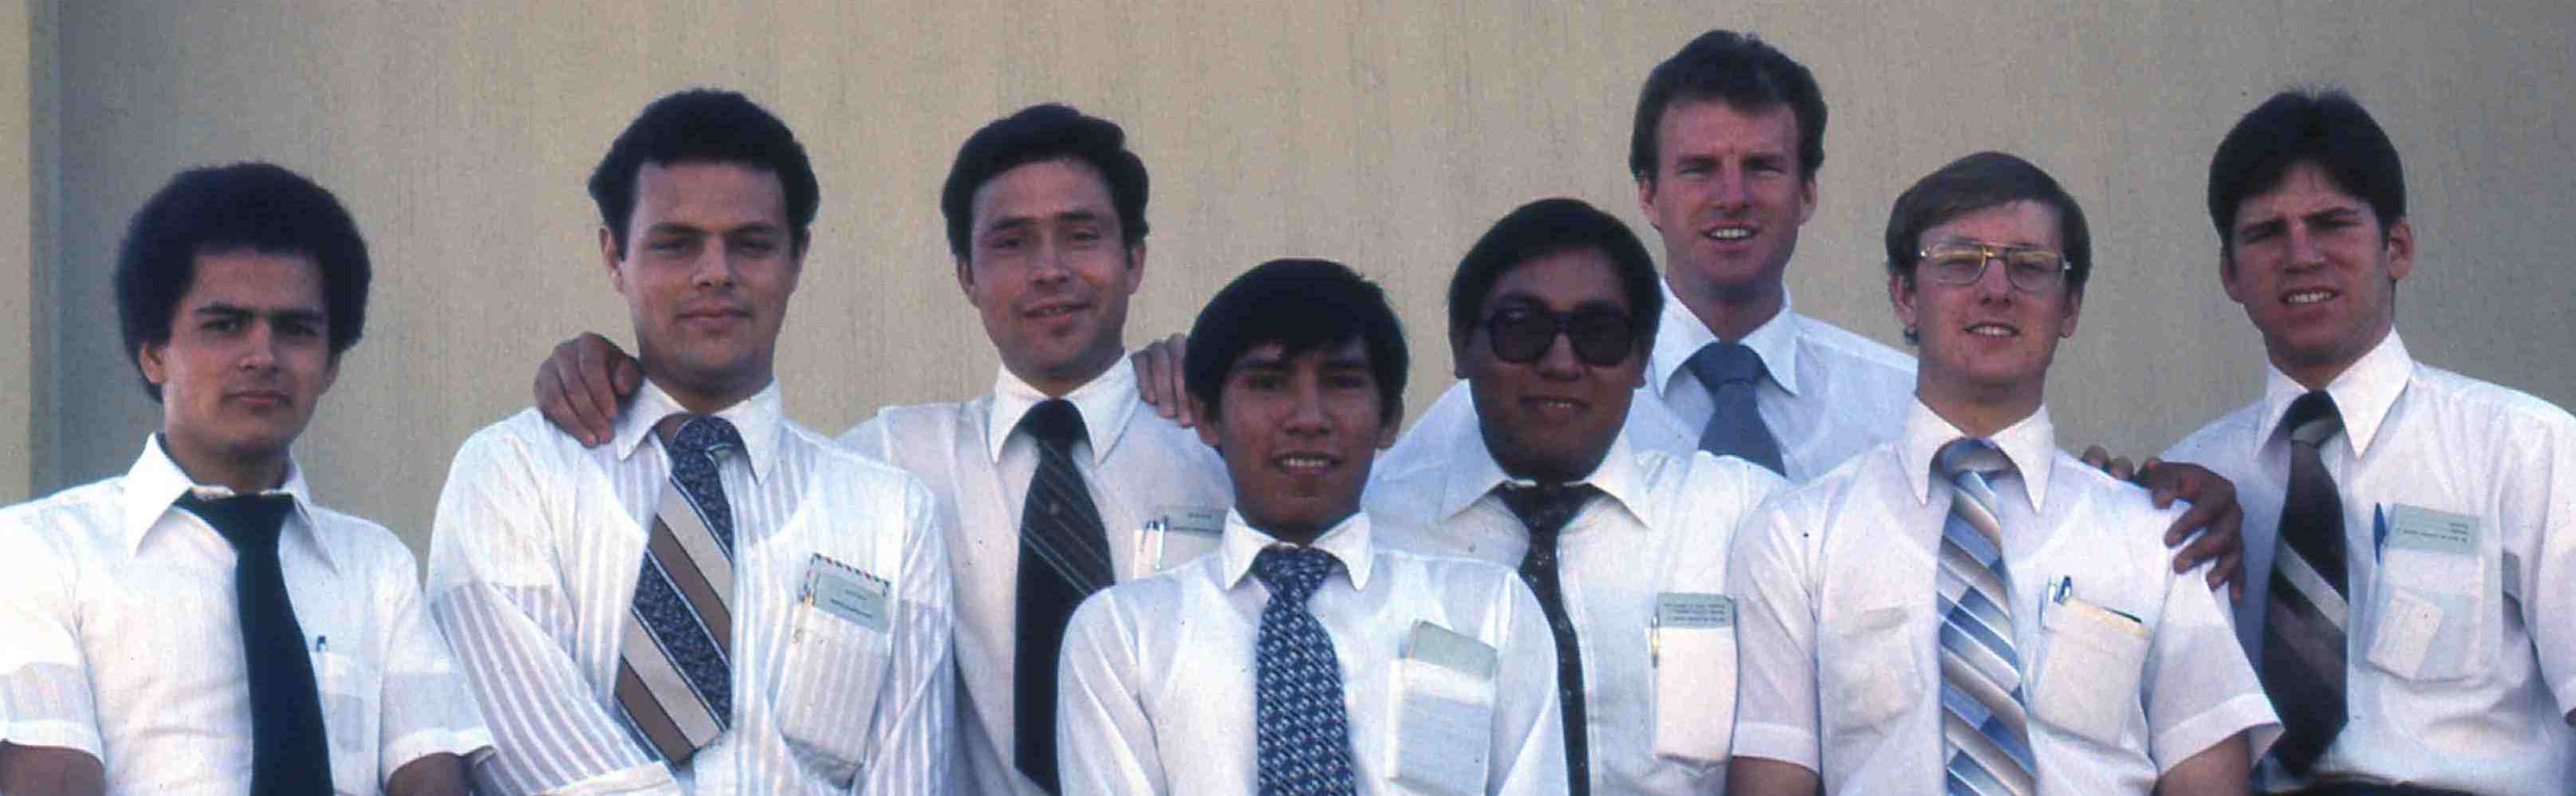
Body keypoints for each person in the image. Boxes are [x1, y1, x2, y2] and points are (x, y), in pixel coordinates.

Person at [1128, 28, 2249, 592]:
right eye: (1699, 167)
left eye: (1762, 167)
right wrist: (1179, 395)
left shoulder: (1896, 398)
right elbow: (1334, 502)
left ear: (1807, 190)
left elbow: (2033, 514)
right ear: (1647, 192)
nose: (1731, 196)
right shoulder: (1515, 401)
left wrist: (2165, 492)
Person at [523, 103, 1230, 794]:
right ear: (966, 275)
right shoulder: (892, 463)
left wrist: (1230, 383)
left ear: (1134, 259)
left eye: (1081, 235)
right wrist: (609, 372)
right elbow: (737, 456)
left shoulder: (1220, 451)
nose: (1049, 270)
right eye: (1010, 242)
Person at [425, 89, 953, 793]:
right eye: (676, 244)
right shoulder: (515, 474)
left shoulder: (891, 516)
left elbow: (907, 777)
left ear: (798, 258)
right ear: (614, 256)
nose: (715, 272)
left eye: (751, 244)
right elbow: (524, 741)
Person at [1726, 152, 2277, 795]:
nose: (1996, 290)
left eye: (2030, 267)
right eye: (1959, 263)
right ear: (1905, 295)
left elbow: (2206, 782)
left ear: (2070, 307)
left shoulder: (2160, 541)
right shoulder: (1800, 537)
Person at [0, 163, 490, 795]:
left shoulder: (376, 569)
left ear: (332, 362)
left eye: (296, 329)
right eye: (224, 325)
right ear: (153, 352)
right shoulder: (39, 552)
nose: (263, 356)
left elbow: (431, 785)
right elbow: (49, 785)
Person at [2159, 89, 2575, 794]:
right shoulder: (2194, 480)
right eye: (2266, 234)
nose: (2301, 256)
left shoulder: (2527, 451)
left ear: (2398, 248)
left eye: (2332, 224)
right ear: (2230, 273)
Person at [1054, 258, 1566, 794]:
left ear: (1389, 418)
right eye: (1269, 383)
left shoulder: (1489, 610)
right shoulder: (1124, 634)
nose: (1307, 418)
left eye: (1342, 383)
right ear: (1207, 417)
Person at [1366, 197, 1786, 794]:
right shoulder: (1378, 529)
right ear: (1461, 347)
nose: (1561, 362)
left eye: (1599, 333)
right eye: (1522, 328)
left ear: (1641, 359)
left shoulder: (1736, 515)